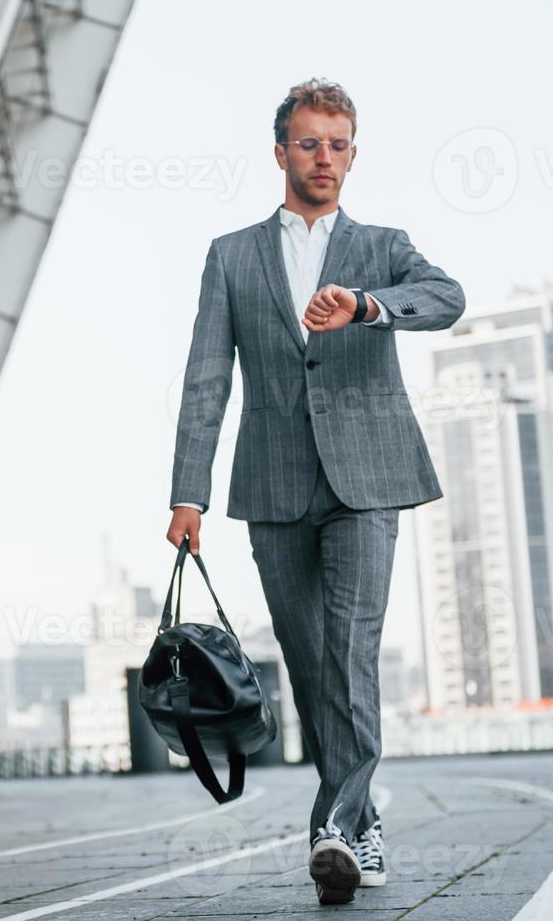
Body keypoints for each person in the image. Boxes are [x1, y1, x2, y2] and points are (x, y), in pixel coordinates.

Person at [165, 78, 466, 906]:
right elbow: (204, 381)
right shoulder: (231, 256)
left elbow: (448, 298)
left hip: (369, 477)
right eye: (308, 142)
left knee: (350, 645)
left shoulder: (383, 245)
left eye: (337, 144)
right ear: (281, 152)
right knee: (308, 661)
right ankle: (360, 824)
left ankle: (334, 825)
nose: (323, 157)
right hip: (272, 482)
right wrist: (187, 493)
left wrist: (367, 305)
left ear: (353, 155)